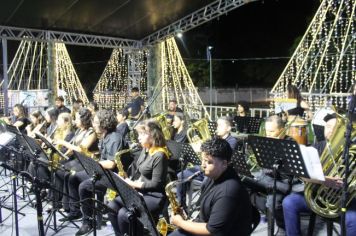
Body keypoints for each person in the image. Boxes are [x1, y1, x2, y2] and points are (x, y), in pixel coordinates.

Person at [282, 113, 356, 236]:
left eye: (337, 127)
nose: (331, 130)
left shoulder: (352, 150)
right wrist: (323, 180)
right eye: (328, 126)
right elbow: (300, 172)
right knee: (289, 202)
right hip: (317, 196)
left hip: (345, 199)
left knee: (353, 220)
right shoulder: (316, 147)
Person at [61, 110, 126, 235]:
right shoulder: (105, 136)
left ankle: (88, 222)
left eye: (96, 122)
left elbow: (112, 164)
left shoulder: (114, 138)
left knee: (84, 186)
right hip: (103, 171)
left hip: (113, 176)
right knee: (73, 178)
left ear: (104, 123)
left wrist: (93, 164)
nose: (93, 124)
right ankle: (76, 211)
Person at [170, 137, 252, 236]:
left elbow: (211, 231)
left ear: (224, 163)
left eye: (208, 162)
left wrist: (181, 223)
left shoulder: (228, 191)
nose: (203, 165)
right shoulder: (213, 176)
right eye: (202, 160)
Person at [107, 120, 169, 236]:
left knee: (124, 214)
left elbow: (156, 184)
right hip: (141, 191)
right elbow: (141, 172)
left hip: (154, 196)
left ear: (153, 135)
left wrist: (132, 184)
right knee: (112, 206)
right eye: (138, 134)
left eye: (142, 134)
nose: (138, 138)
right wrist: (126, 178)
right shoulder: (145, 149)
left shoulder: (160, 155)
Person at [176, 116, 237, 208]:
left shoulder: (232, 141)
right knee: (180, 176)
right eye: (217, 126)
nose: (217, 128)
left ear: (228, 128)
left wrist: (206, 149)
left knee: (206, 183)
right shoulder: (214, 138)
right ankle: (182, 205)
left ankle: (204, 206)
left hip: (217, 170)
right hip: (204, 167)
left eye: (220, 125)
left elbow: (220, 156)